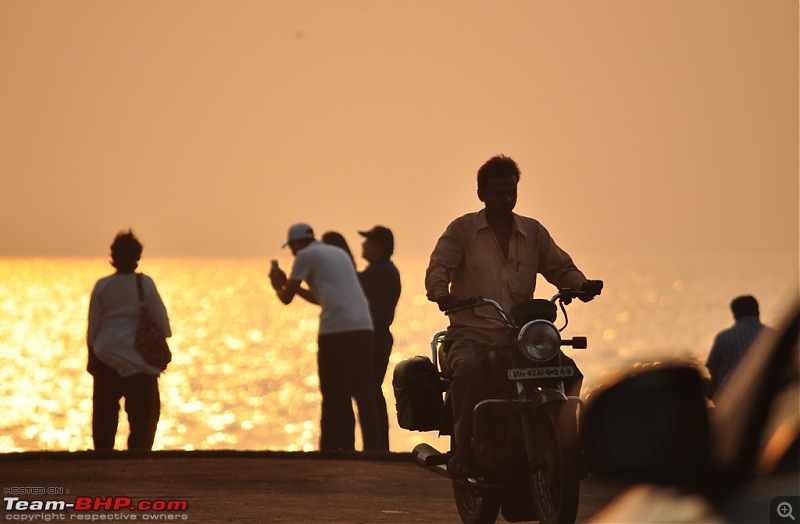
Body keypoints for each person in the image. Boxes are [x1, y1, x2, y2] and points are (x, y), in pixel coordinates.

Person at [425, 154, 603, 477]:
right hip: (471, 334)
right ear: (481, 194)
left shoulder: (532, 231)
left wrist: (581, 285)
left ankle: (564, 444)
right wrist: (442, 294)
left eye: (512, 192)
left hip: (520, 337)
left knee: (570, 373)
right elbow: (438, 267)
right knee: (467, 372)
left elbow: (560, 268)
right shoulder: (462, 230)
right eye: (499, 193)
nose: (507, 199)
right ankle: (465, 452)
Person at [270, 223, 380, 451]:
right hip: (363, 326)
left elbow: (286, 298)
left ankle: (330, 449)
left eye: (291, 247)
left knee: (332, 391)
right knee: (364, 390)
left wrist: (277, 285)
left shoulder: (305, 255)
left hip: (335, 330)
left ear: (296, 243)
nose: (292, 252)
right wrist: (291, 286)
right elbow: (321, 298)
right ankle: (375, 449)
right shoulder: (336, 253)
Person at [86, 230, 172, 450]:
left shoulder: (102, 286)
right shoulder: (145, 284)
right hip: (140, 361)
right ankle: (138, 459)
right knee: (144, 419)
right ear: (137, 257)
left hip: (106, 356)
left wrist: (92, 358)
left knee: (104, 417)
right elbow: (163, 325)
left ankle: (103, 459)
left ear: (113, 256)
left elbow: (93, 328)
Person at [358, 226, 402, 451]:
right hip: (380, 338)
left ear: (379, 247)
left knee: (369, 391)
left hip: (376, 339)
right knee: (372, 391)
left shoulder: (380, 272)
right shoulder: (383, 271)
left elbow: (352, 283)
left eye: (368, 242)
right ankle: (378, 446)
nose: (363, 245)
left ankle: (376, 447)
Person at [705, 295, 769, 398]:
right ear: (758, 312)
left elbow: (712, 367)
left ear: (735, 315)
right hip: (766, 391)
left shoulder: (724, 337)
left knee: (703, 382)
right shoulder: (772, 335)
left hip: (731, 395)